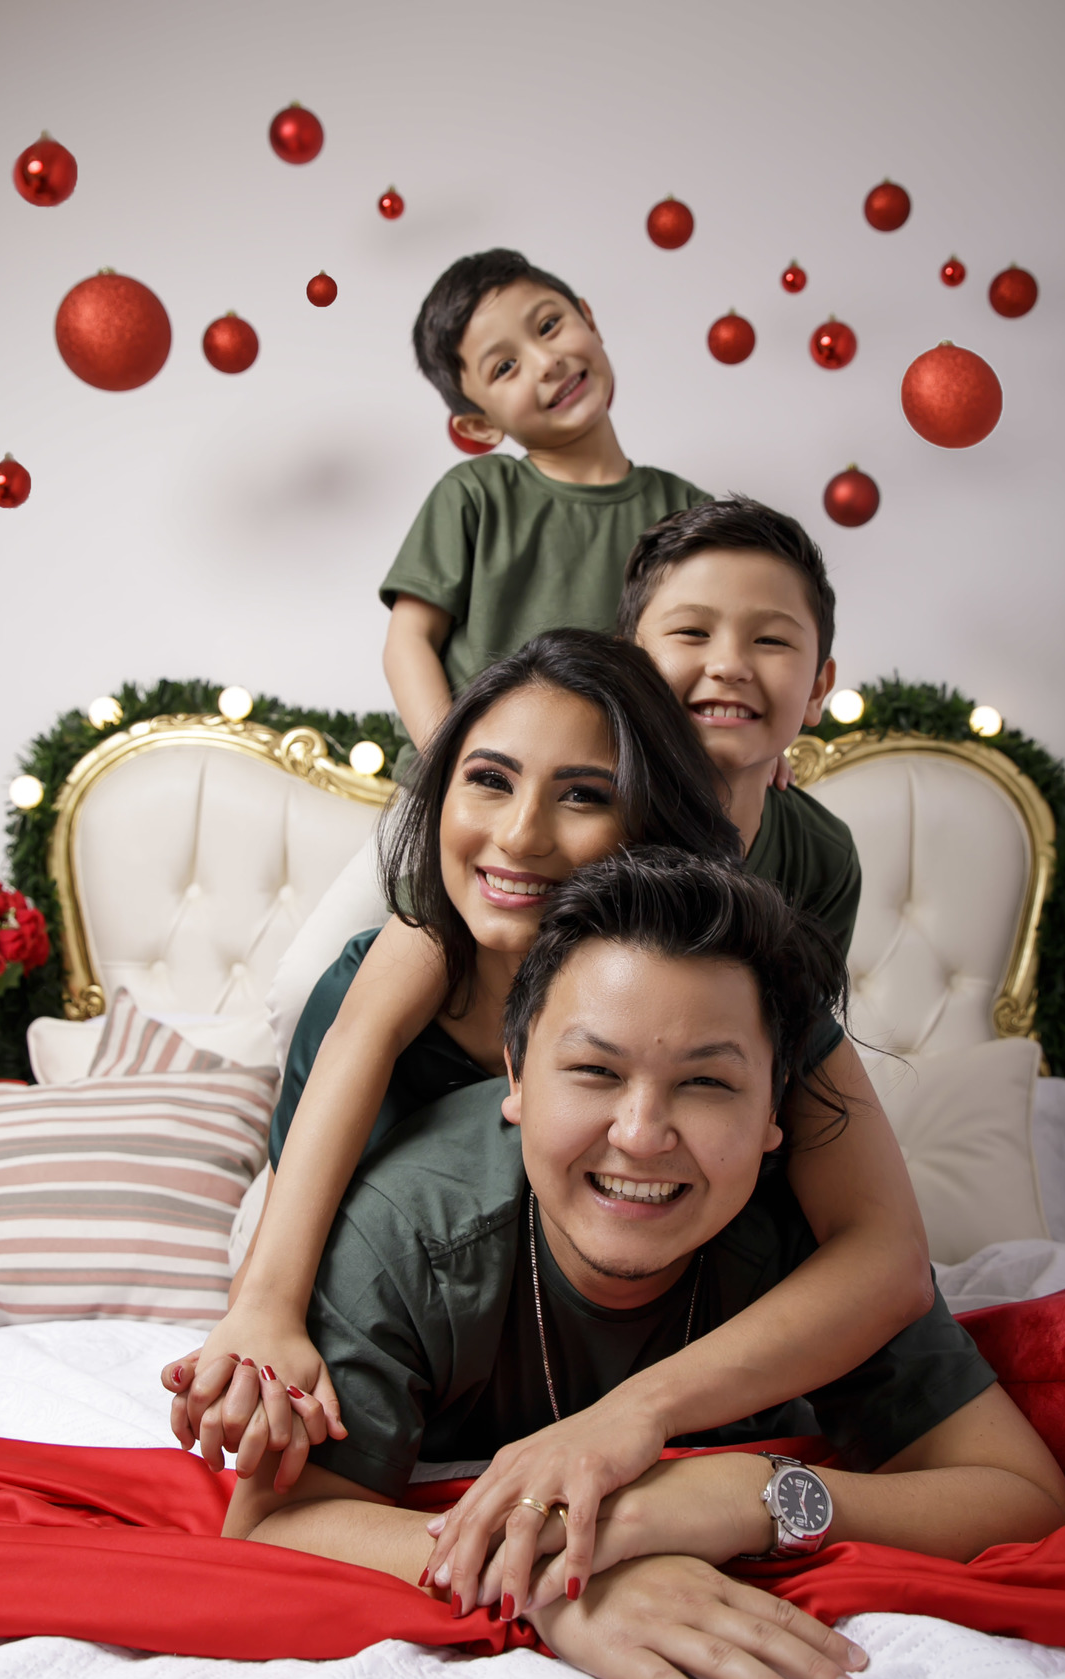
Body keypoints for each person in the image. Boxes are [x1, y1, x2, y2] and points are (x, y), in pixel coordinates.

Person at [220, 849, 1065, 1679]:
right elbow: (276, 1524)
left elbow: (1025, 1495)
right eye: (594, 1072)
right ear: (515, 1074)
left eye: (706, 1083)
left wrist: (747, 1496)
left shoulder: (811, 1248)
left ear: (777, 1106)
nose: (640, 1134)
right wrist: (565, 1578)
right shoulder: (409, 1227)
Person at [167, 629, 930, 1580]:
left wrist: (640, 1419)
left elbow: (889, 1257)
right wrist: (265, 1322)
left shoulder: (735, 993)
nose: (522, 835)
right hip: (354, 1272)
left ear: (653, 824)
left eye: (584, 795)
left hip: (634, 1308)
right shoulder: (392, 987)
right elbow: (296, 1243)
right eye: (488, 780)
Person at [380, 247, 710, 774]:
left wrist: (754, 749)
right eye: (506, 366)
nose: (546, 361)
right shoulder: (475, 494)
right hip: (460, 797)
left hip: (610, 795)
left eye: (550, 325)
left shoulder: (686, 512)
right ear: (479, 425)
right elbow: (408, 642)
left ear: (590, 319)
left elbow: (714, 658)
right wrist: (455, 760)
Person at [620, 494, 859, 950]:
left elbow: (801, 1018)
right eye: (692, 632)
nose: (729, 666)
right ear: (625, 663)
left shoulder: (823, 856)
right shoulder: (574, 809)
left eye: (770, 639)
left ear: (815, 690)